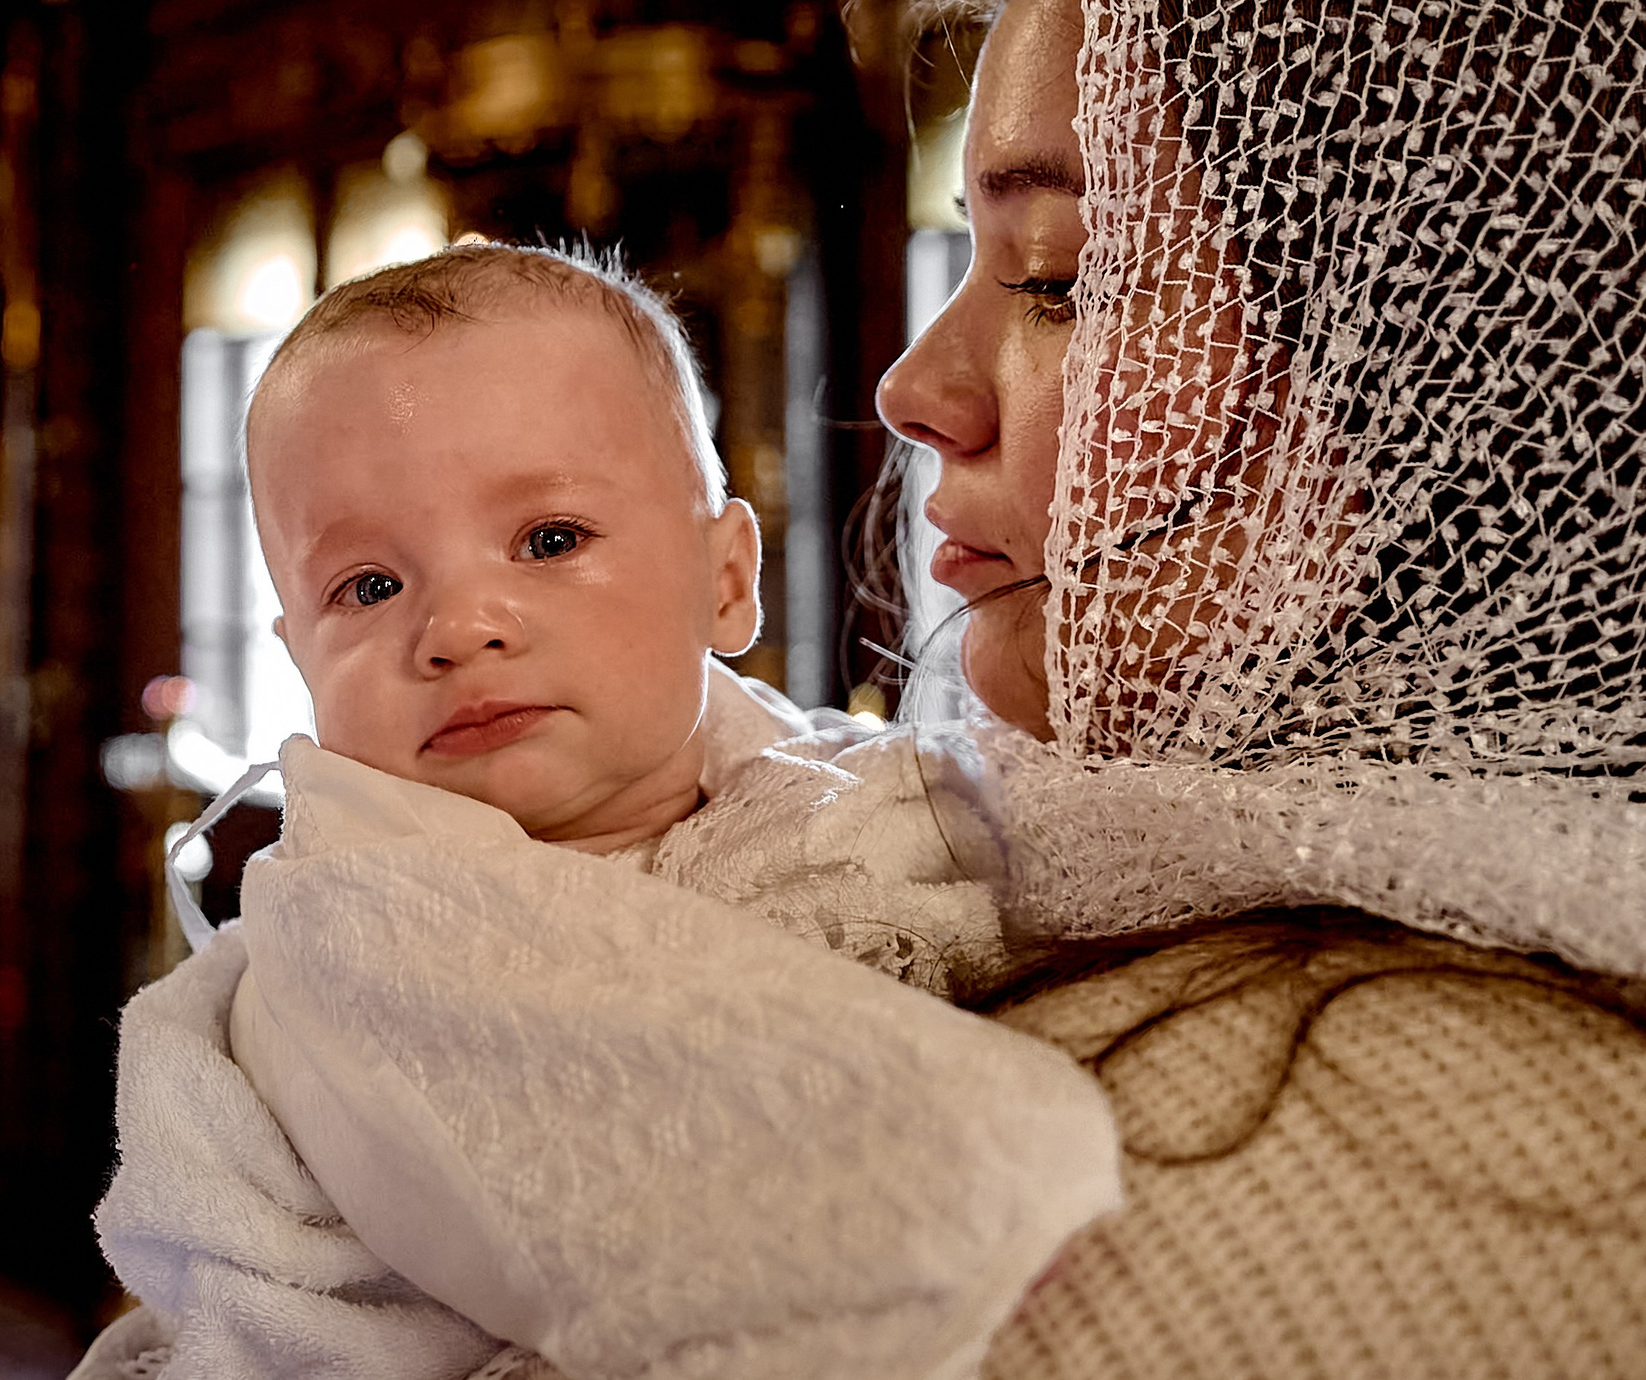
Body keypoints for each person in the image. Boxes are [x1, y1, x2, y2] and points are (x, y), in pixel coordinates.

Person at [85, 0, 1646, 1380]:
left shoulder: (1360, 1174)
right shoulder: (1066, 871)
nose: (916, 387)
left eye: (1058, 273)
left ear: (1476, 371)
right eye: (366, 584)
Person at [85, 244, 1119, 1378]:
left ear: (725, 582)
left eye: (549, 540)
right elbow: (611, 1193)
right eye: (368, 587)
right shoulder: (359, 930)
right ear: (299, 660)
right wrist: (981, 1189)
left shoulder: (856, 789)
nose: (458, 626)